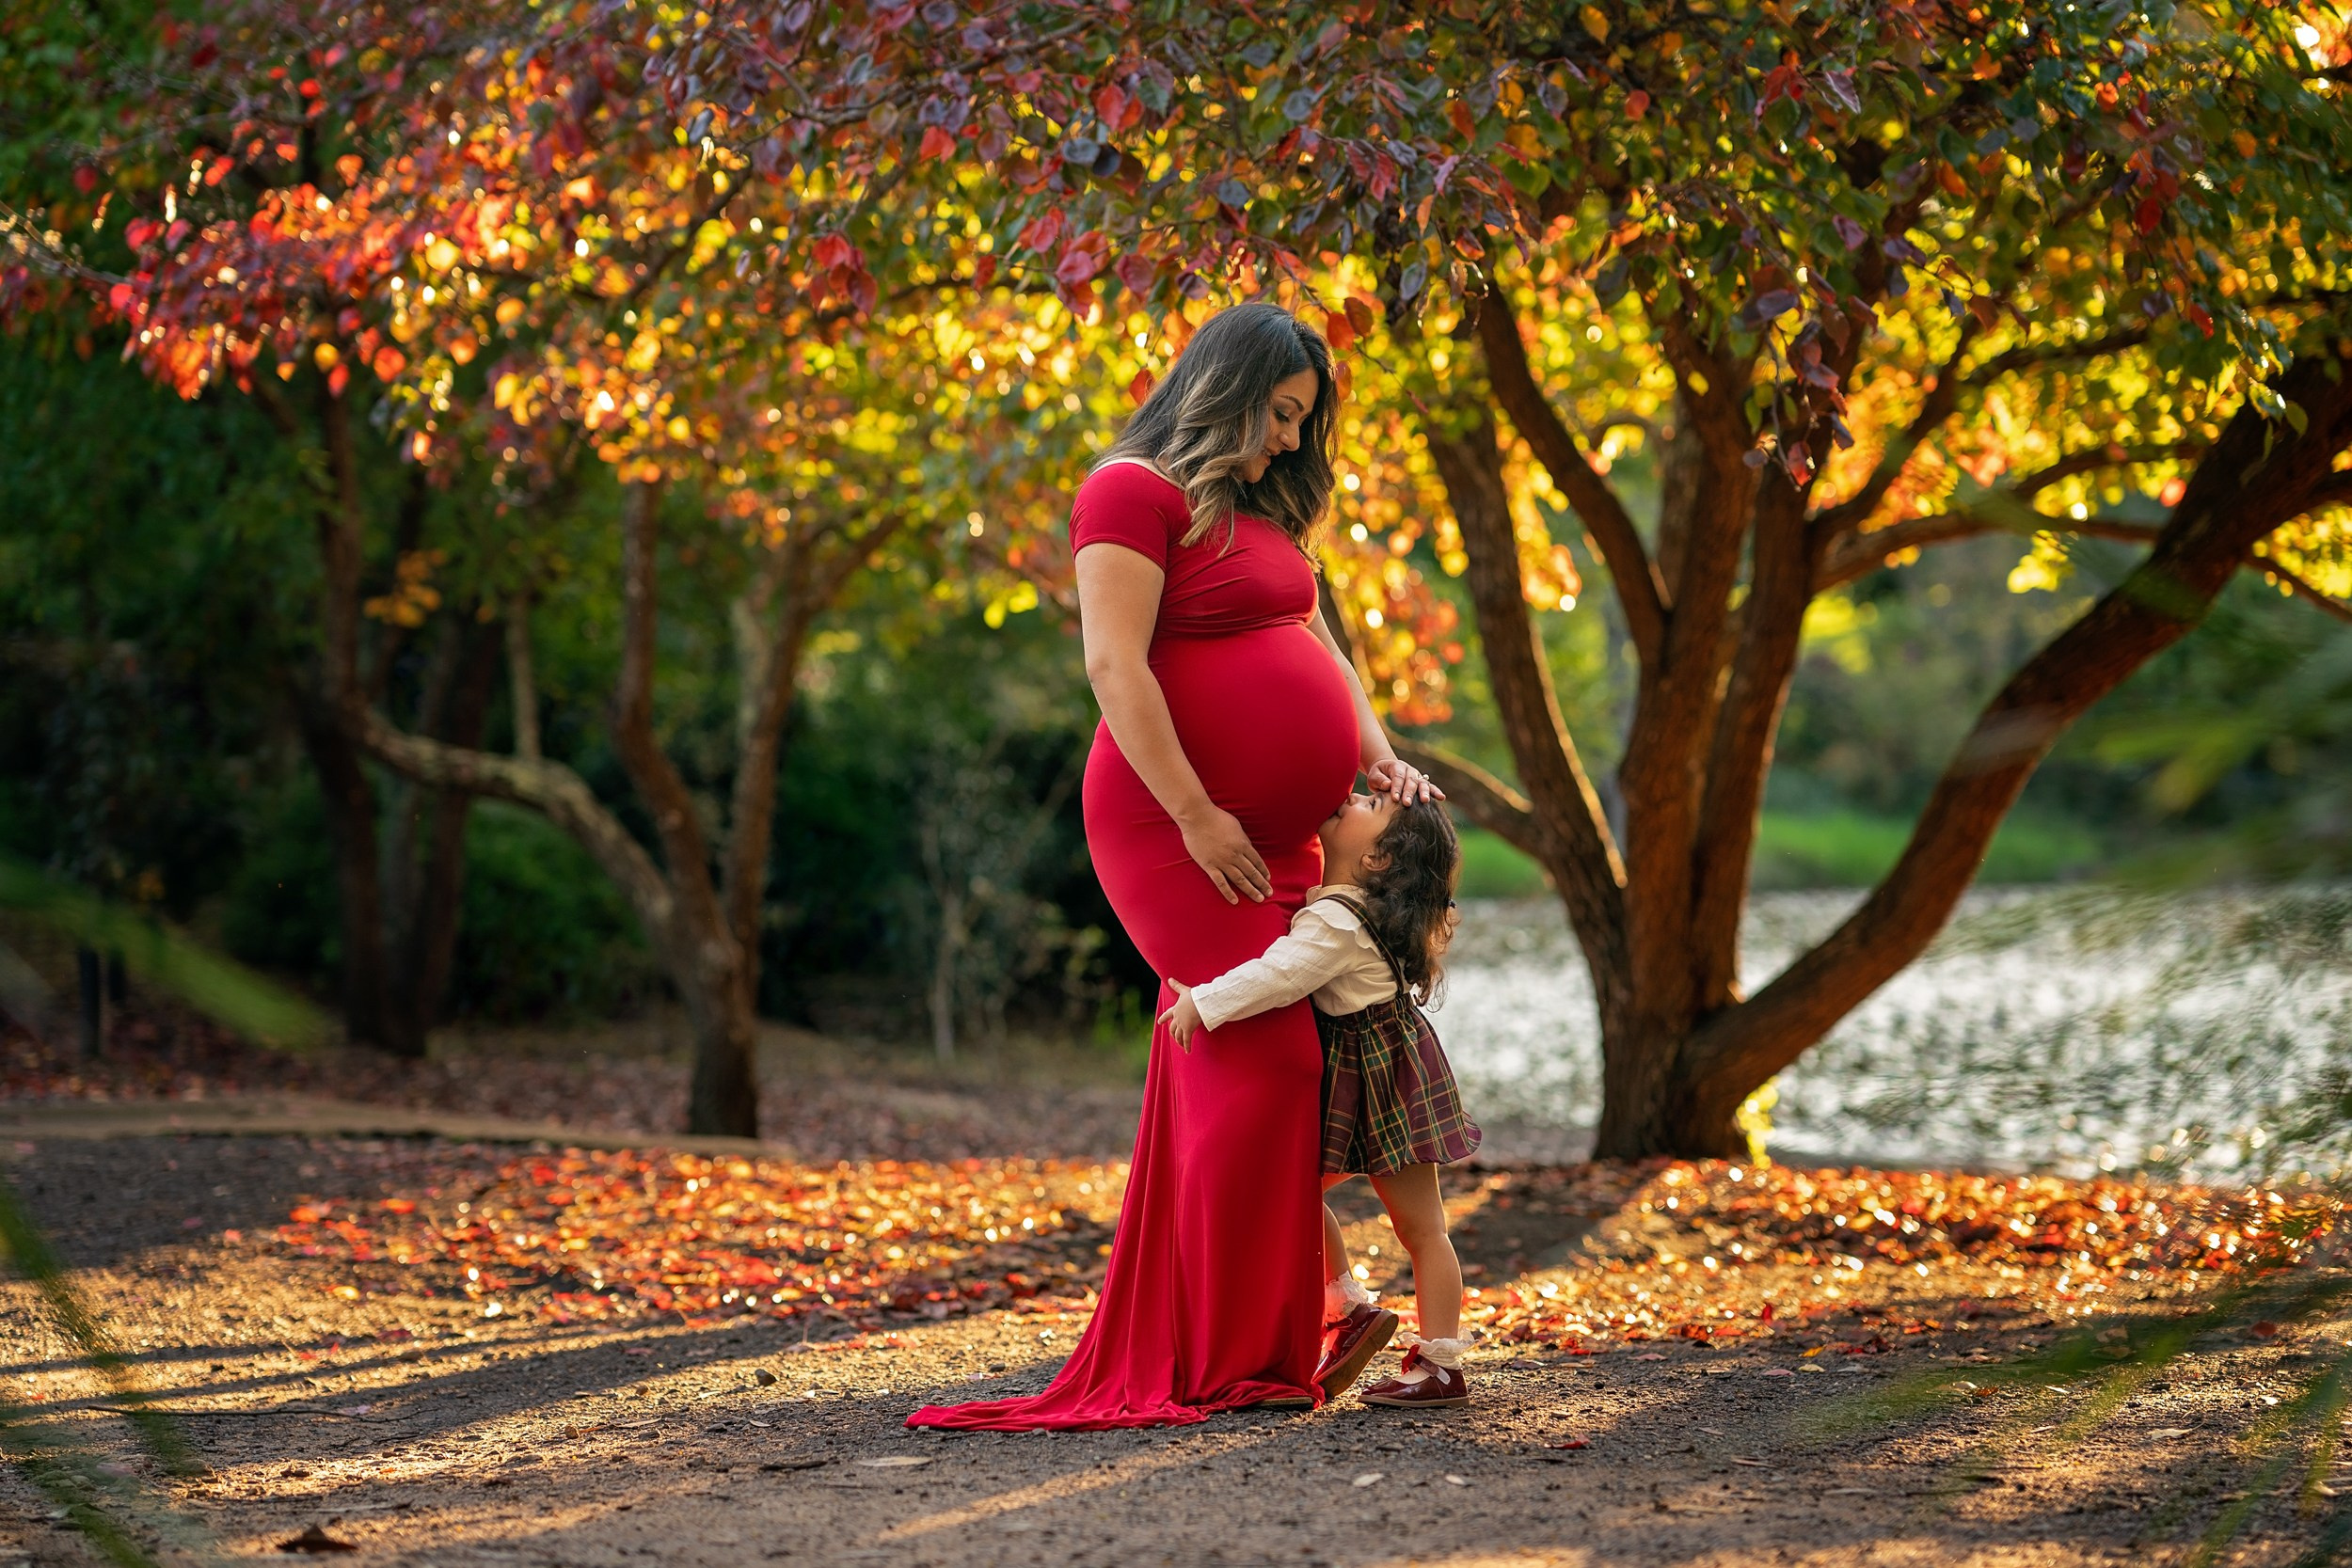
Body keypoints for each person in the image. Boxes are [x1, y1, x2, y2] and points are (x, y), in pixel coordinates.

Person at [905, 302, 1441, 1432]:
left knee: (1271, 1056)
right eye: (1282, 414)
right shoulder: (1127, 491)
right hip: (1172, 826)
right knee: (1269, 1058)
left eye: (1305, 421)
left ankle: (1288, 1319)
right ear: (1229, 387)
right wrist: (1194, 812)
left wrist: (1379, 757)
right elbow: (1113, 664)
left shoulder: (1259, 515)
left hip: (1281, 838)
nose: (1292, 441)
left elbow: (1323, 653)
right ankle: (1267, 1339)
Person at [1162, 790, 1481, 1407]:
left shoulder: (1337, 921)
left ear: (1379, 859)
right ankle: (1413, 1346)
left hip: (1370, 1081)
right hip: (1396, 1074)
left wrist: (1203, 1002)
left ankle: (1371, 1319)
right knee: (1419, 1229)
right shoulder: (1362, 910)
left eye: (1370, 802)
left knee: (1317, 1200)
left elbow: (1279, 975)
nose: (1351, 795)